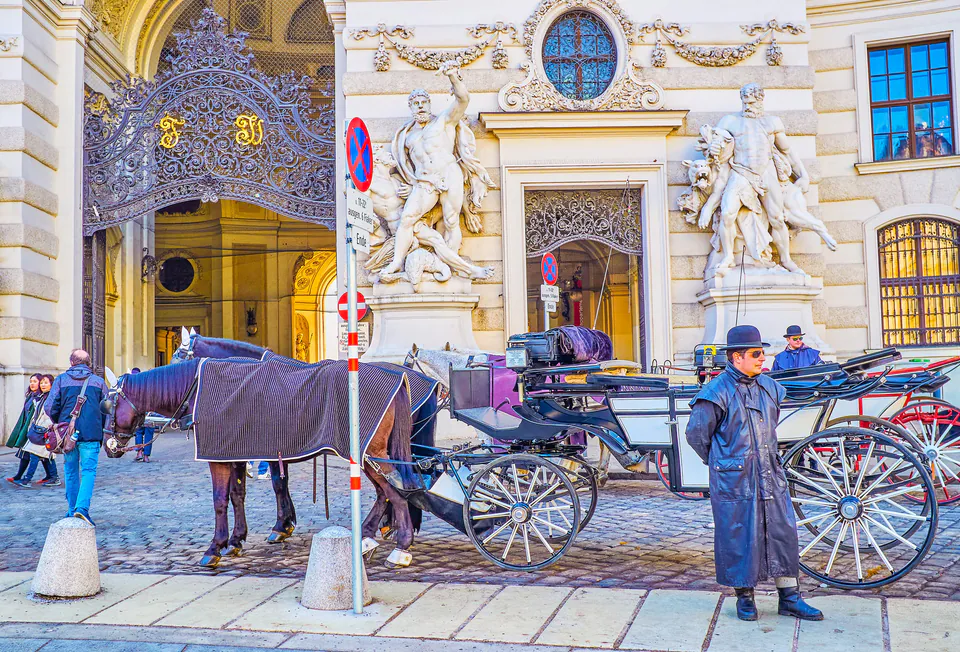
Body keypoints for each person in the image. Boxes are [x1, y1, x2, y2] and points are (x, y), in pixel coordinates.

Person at [685, 325, 823, 622]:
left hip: (770, 472)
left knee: (782, 532)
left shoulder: (770, 388)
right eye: (756, 353)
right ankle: (744, 597)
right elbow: (697, 435)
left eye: (762, 353)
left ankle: (790, 597)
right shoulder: (715, 392)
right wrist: (725, 463)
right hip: (736, 479)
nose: (763, 358)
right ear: (737, 357)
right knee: (739, 534)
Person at [46, 349, 108, 526]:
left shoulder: (61, 380)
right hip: (92, 433)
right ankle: (82, 509)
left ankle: (72, 509)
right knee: (88, 471)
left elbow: (50, 406)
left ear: (72, 362)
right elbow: (107, 409)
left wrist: (60, 422)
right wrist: (100, 426)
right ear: (89, 363)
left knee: (70, 471)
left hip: (67, 435)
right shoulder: (98, 382)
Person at [18, 374, 59, 487]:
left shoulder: (52, 398)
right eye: (41, 383)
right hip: (38, 430)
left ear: (51, 384)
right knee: (46, 455)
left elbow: (51, 415)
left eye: (46, 383)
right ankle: (53, 477)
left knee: (35, 454)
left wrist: (46, 427)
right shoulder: (41, 397)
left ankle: (27, 479)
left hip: (44, 431)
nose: (43, 385)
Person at [5, 374, 42, 484]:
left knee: (38, 455)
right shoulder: (30, 396)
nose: (32, 384)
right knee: (30, 453)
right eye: (31, 381)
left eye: (35, 381)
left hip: (35, 430)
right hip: (28, 428)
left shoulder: (40, 397)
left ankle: (26, 478)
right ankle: (51, 476)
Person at [129, 368, 155, 463]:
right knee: (149, 435)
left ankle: (139, 452)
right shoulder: (152, 387)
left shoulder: (132, 387)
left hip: (139, 415)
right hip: (150, 415)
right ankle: (146, 456)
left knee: (139, 433)